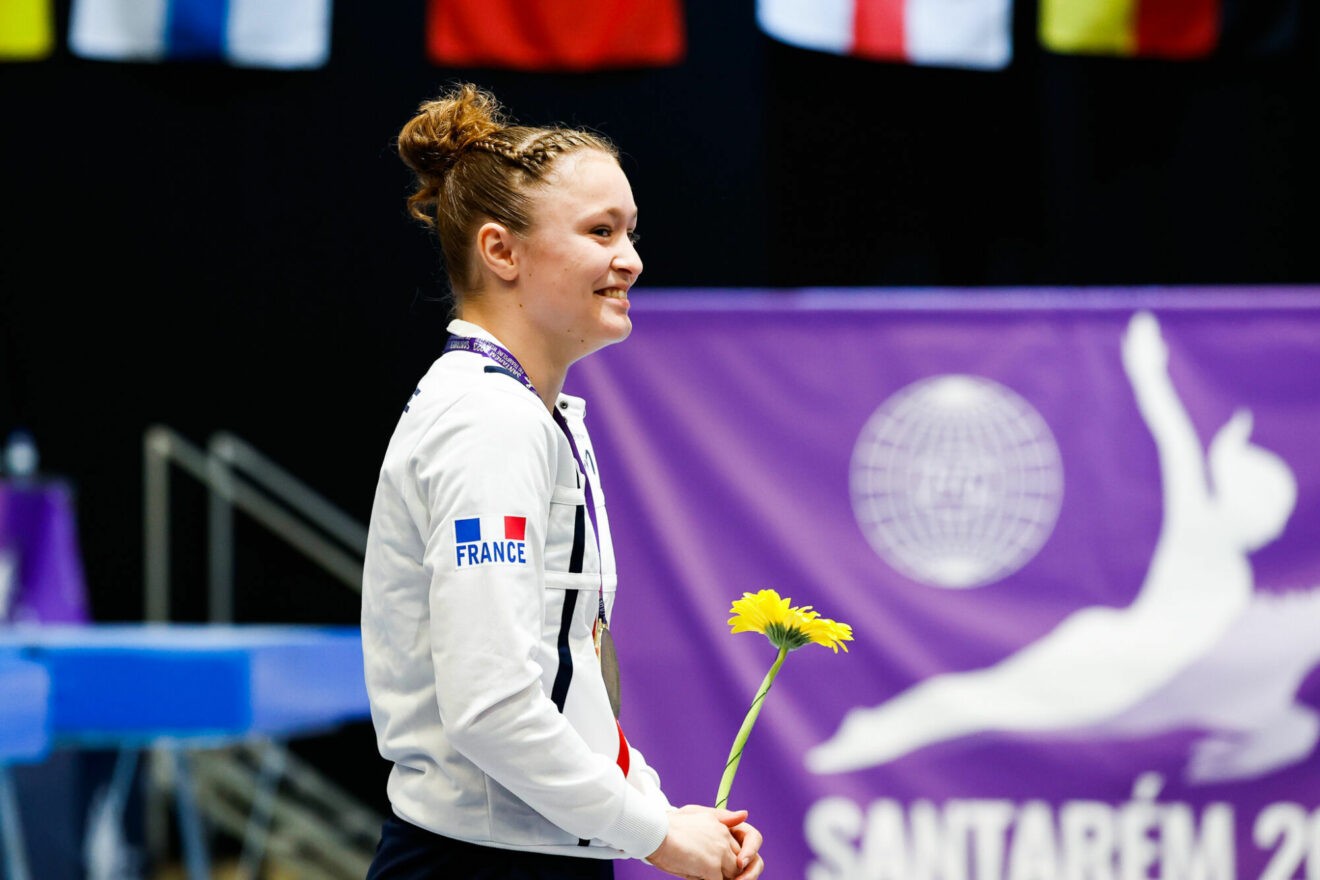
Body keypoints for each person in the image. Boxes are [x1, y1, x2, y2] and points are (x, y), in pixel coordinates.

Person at [360, 82, 765, 880]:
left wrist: (656, 812)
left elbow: (560, 678)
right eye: (600, 231)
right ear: (500, 252)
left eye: (631, 231)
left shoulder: (529, 413)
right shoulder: (489, 421)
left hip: (525, 853)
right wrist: (653, 834)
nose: (632, 259)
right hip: (477, 866)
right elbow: (492, 710)